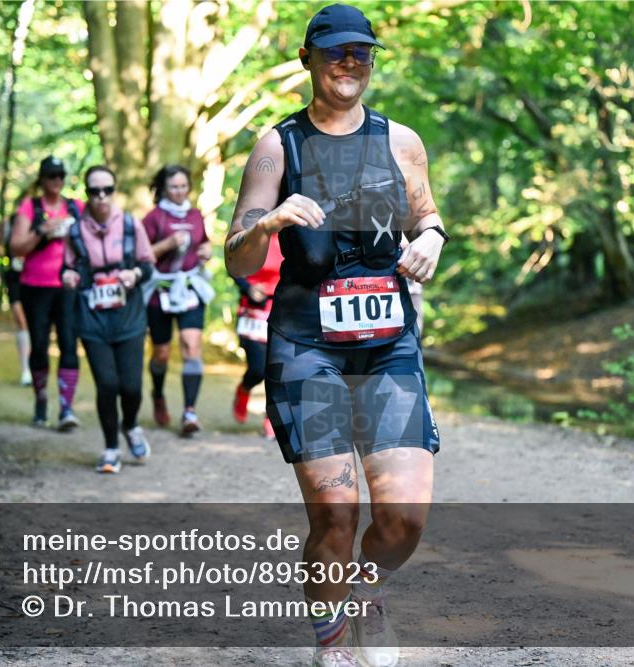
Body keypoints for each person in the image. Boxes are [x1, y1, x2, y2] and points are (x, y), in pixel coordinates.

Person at [224, 5, 447, 666]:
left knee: (404, 518)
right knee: (334, 514)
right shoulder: (277, 145)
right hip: (305, 344)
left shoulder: (399, 141)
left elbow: (428, 218)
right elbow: (235, 254)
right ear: (309, 58)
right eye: (337, 52)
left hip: (387, 342)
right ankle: (334, 646)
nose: (351, 63)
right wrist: (268, 224)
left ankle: (368, 593)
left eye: (363, 53)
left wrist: (431, 242)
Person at [62, 166, 155, 473]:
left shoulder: (130, 225)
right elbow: (68, 268)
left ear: (114, 190)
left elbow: (148, 265)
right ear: (86, 193)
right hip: (92, 319)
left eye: (107, 190)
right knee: (107, 384)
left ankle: (130, 425)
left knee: (130, 387)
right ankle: (111, 448)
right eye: (94, 191)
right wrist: (70, 277)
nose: (101, 196)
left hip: (129, 317)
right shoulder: (75, 231)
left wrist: (135, 273)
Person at [9, 156, 84, 430]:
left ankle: (66, 408)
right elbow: (16, 247)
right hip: (35, 287)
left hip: (67, 287)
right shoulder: (30, 208)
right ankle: (41, 401)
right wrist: (43, 230)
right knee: (39, 345)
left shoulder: (76, 207)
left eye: (61, 176)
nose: (57, 181)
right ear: (42, 179)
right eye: (52, 176)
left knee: (68, 343)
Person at [141, 165, 214, 437]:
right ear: (163, 188)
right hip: (160, 290)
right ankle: (158, 393)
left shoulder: (196, 215)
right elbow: (141, 254)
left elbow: (204, 243)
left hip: (190, 287)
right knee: (160, 353)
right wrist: (167, 244)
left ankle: (189, 413)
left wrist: (206, 250)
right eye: (174, 187)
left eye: (184, 186)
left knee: (191, 346)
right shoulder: (153, 217)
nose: (180, 191)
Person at [231, 231, 283, 439]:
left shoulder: (295, 233)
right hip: (253, 310)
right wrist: (248, 289)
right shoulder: (253, 232)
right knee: (258, 369)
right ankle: (244, 389)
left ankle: (270, 418)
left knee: (278, 367)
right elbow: (233, 266)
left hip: (281, 307)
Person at [0, 194, 32, 386]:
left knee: (34, 324)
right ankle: (25, 370)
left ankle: (34, 367)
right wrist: (5, 252)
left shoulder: (40, 222)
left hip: (35, 277)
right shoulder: (7, 223)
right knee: (21, 320)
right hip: (14, 276)